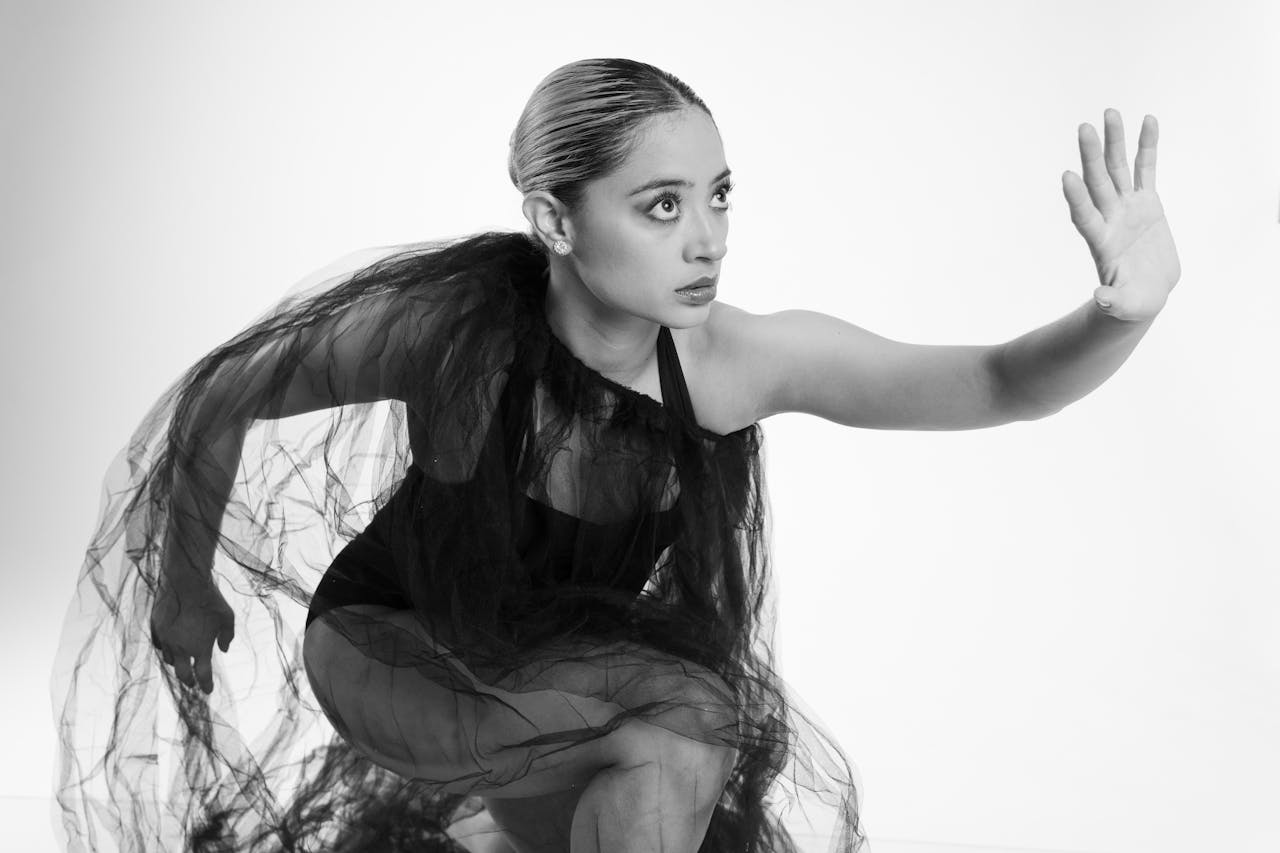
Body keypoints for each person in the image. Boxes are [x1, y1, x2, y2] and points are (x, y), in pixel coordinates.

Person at [50, 57, 1180, 853]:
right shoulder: (453, 336)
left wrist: (1116, 316)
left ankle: (497, 836)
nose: (708, 239)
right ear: (555, 222)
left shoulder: (725, 362)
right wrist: (183, 584)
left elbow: (996, 383)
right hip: (391, 646)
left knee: (678, 743)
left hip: (552, 671)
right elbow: (224, 392)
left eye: (718, 196)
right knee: (684, 721)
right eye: (661, 206)